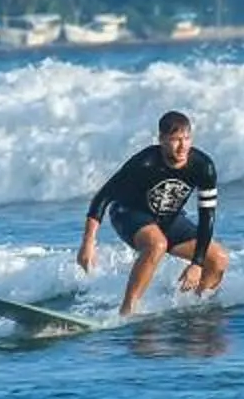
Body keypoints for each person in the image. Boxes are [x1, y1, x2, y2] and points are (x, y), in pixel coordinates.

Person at [77, 110, 227, 315]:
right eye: (175, 140)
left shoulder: (203, 166)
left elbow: (207, 216)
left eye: (186, 138)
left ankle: (195, 308)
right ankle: (127, 311)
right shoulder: (145, 162)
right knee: (157, 244)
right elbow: (103, 197)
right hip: (128, 213)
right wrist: (88, 243)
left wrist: (197, 263)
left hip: (169, 219)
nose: (183, 146)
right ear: (162, 140)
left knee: (217, 258)